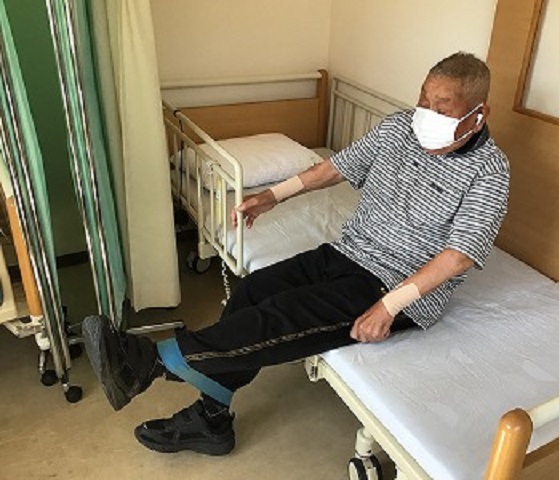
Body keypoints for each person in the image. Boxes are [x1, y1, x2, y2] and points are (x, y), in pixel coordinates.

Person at [82, 51, 510, 456]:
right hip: (347, 251)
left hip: (394, 285)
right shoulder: (399, 127)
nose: (426, 114)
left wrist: (389, 306)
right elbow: (335, 167)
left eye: (442, 108)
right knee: (253, 291)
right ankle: (212, 420)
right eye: (423, 100)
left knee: (280, 315)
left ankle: (148, 363)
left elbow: (459, 255)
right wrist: (271, 195)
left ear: (478, 114)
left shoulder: (490, 171)